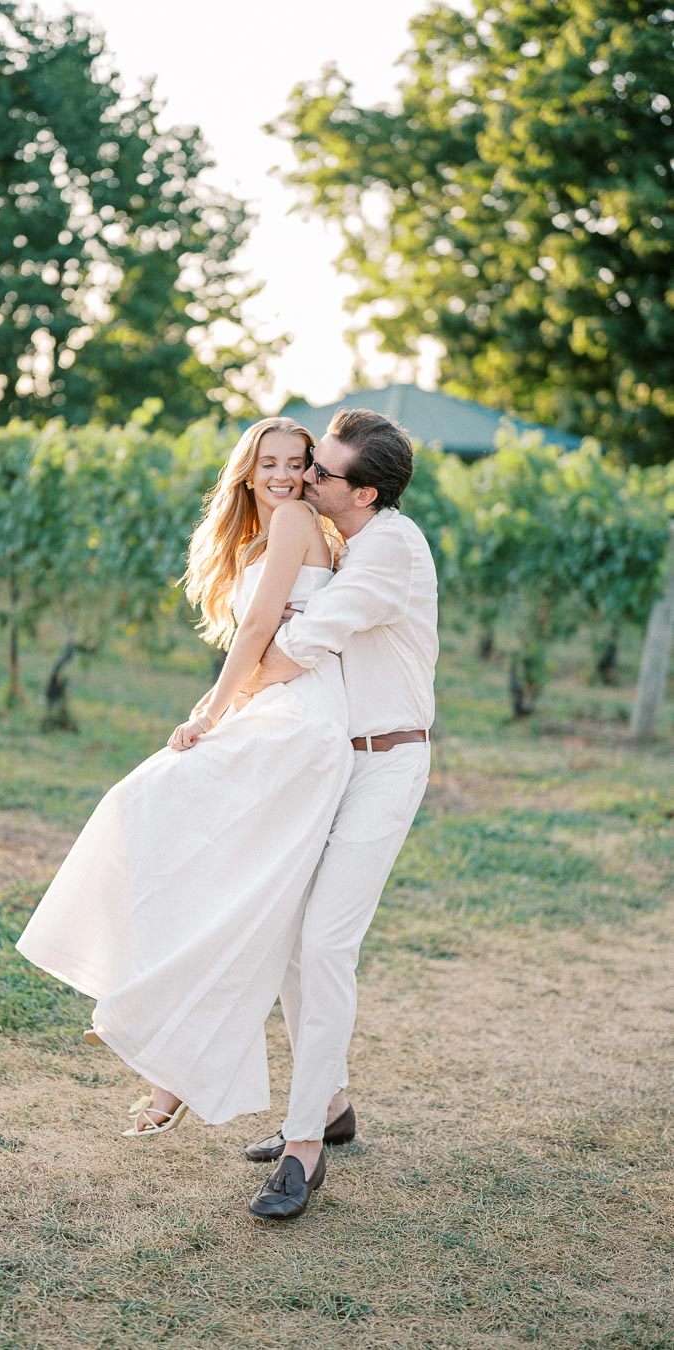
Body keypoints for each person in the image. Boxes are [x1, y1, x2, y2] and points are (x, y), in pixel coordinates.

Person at [15, 417, 353, 1138]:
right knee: (228, 890)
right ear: (247, 467)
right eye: (271, 462)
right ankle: (164, 1046)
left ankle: (146, 1021)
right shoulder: (259, 536)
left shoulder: (296, 520)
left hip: (299, 721)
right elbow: (254, 637)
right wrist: (215, 706)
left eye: (298, 463)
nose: (286, 475)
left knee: (147, 809)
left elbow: (260, 629)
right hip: (272, 708)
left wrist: (209, 715)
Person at [239, 408, 439, 1220]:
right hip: (329, 760)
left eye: (320, 471)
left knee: (325, 942)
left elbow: (299, 647)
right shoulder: (349, 540)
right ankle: (330, 1102)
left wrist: (221, 703)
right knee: (292, 930)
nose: (303, 478)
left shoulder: (389, 548)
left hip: (386, 764)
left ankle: (303, 1148)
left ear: (362, 491)